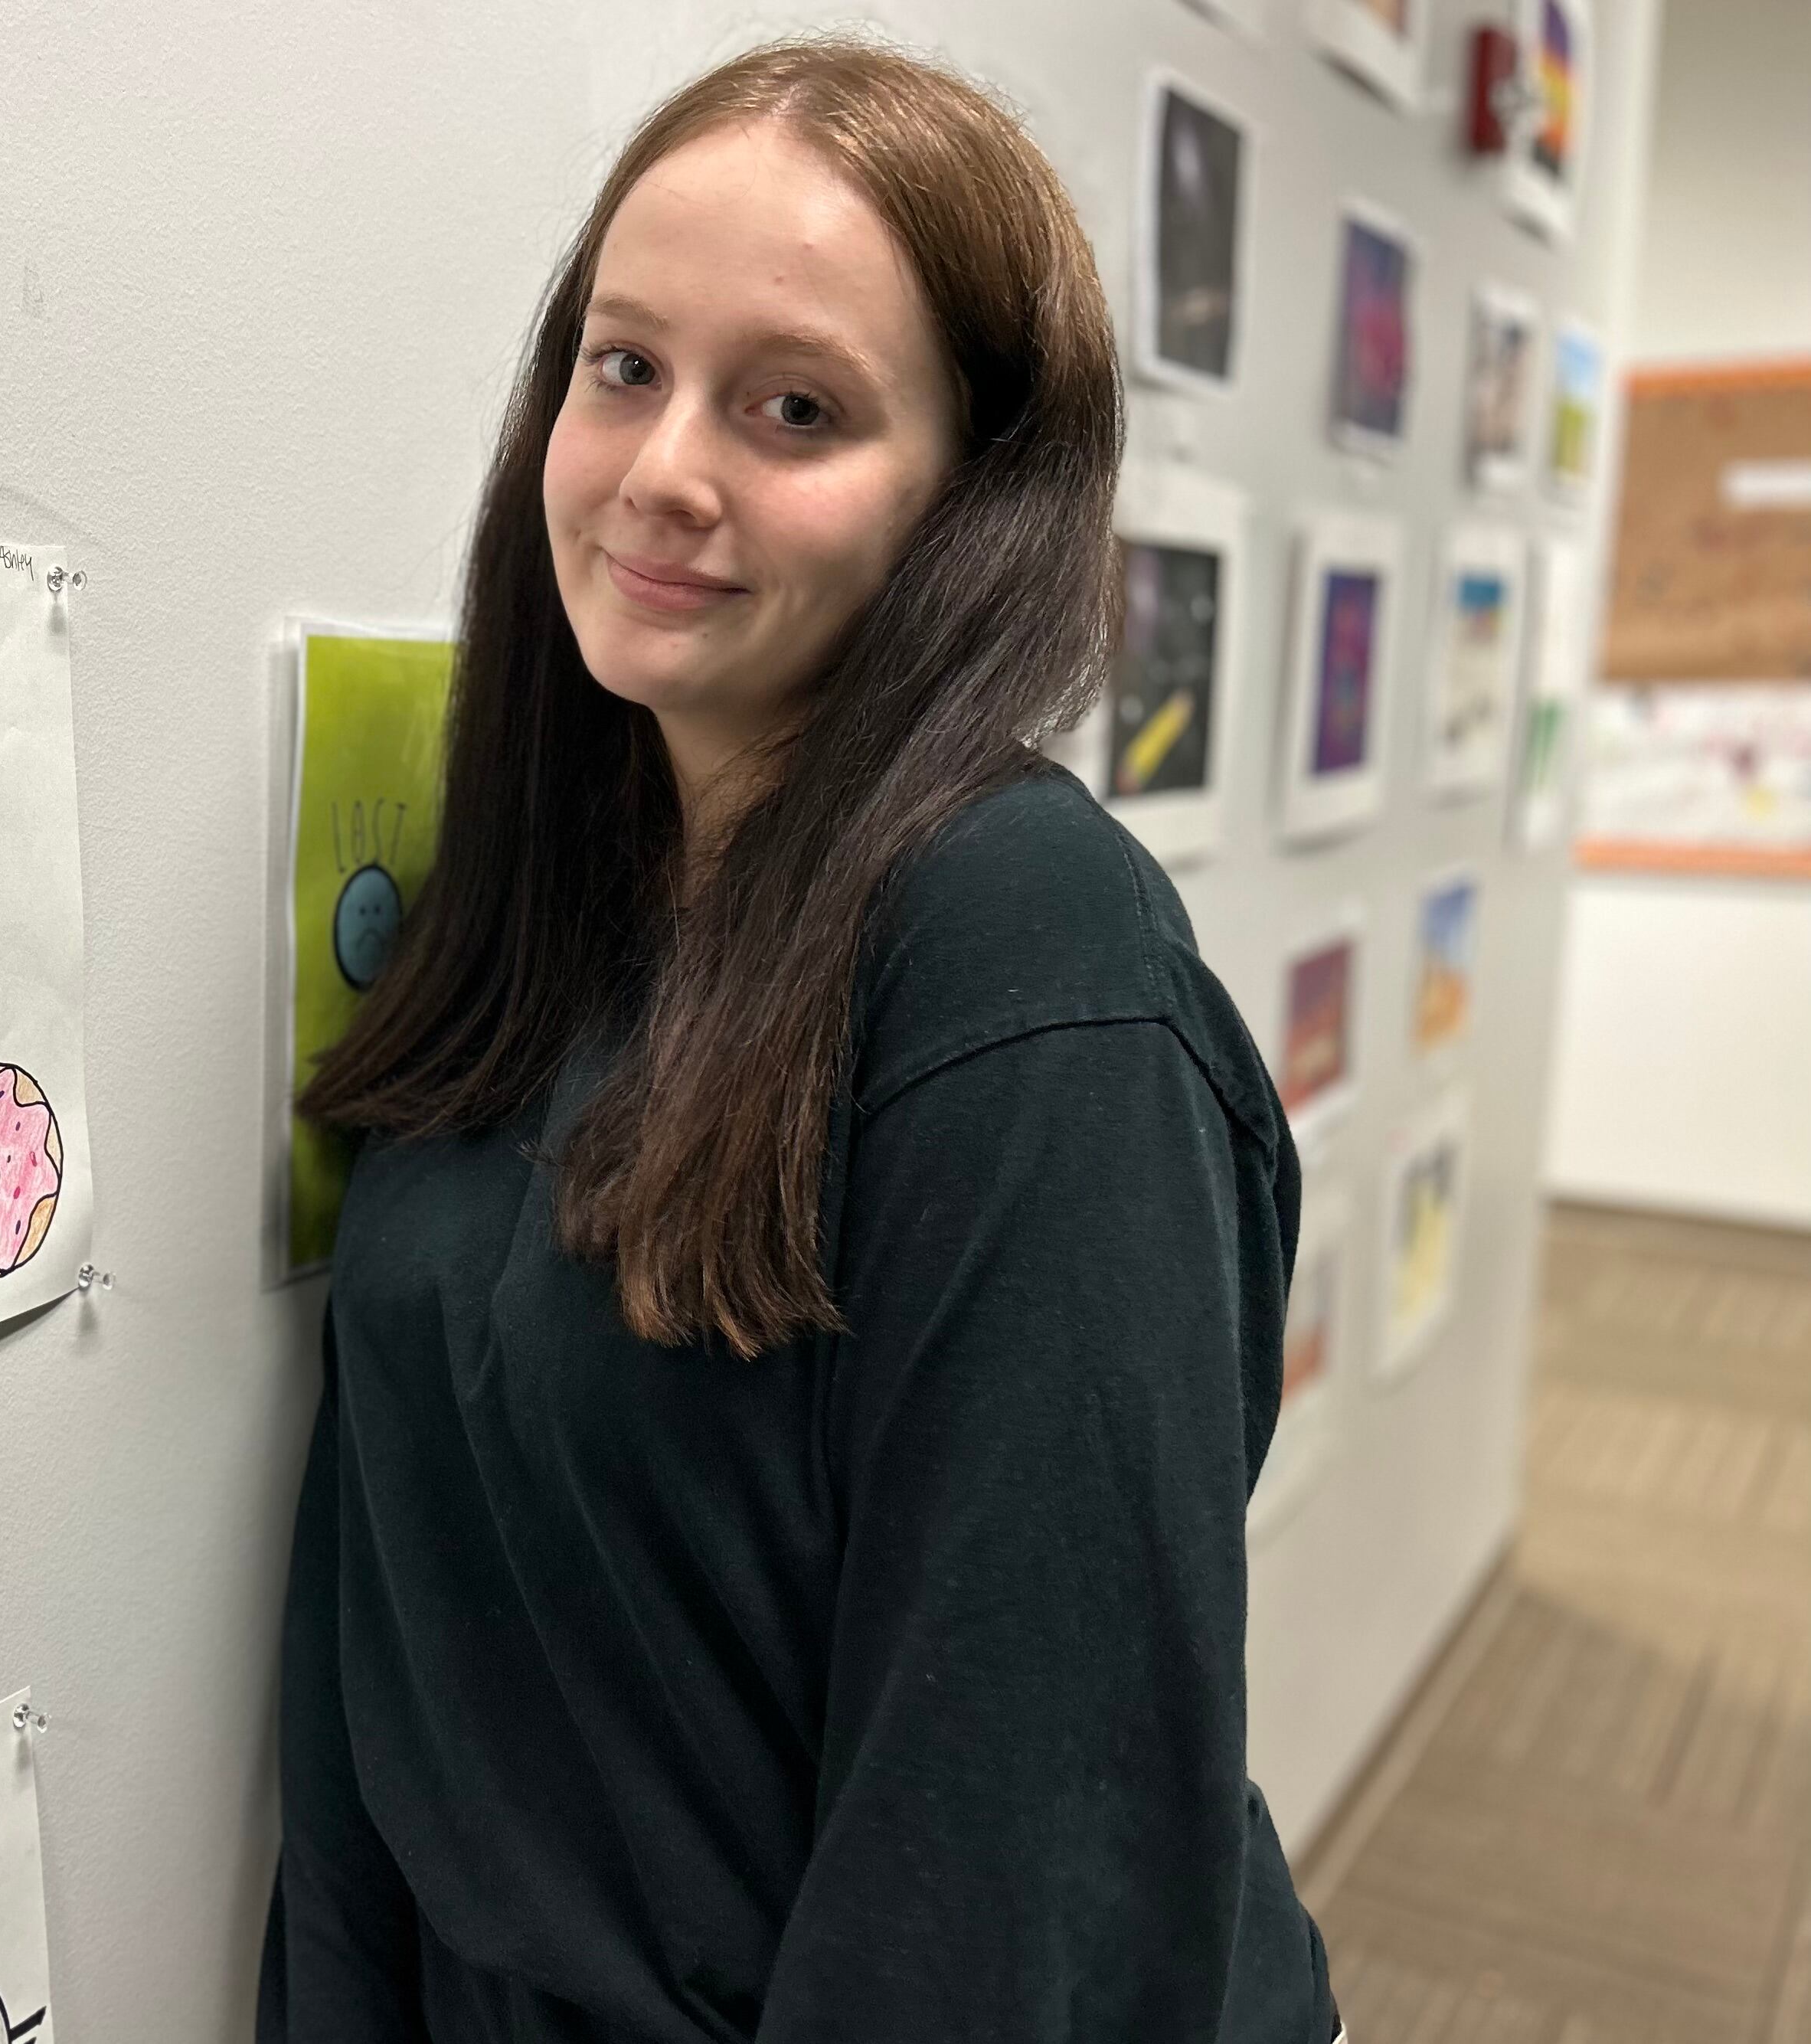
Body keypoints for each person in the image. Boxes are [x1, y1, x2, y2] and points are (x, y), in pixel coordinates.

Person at [261, 34, 1340, 2044]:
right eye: (623, 366)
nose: (666, 468)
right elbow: (383, 1664)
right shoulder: (566, 892)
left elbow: (1014, 1866)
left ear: (967, 499)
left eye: (794, 408)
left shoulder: (1031, 973)